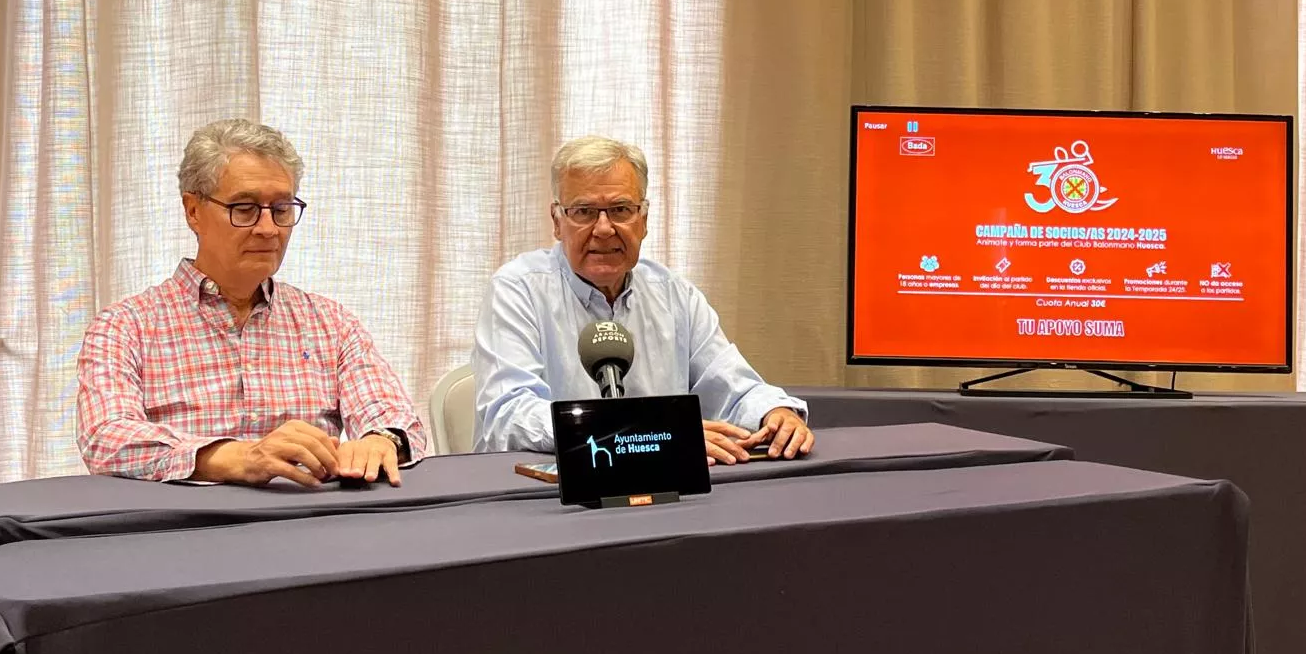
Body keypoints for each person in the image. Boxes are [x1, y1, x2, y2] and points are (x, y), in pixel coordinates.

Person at [76, 119, 427, 486]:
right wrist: (235, 458)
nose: (268, 229)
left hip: (310, 513)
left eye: (282, 209)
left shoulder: (331, 323)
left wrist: (380, 441)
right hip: (184, 517)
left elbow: (398, 419)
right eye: (244, 209)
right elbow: (105, 437)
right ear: (193, 211)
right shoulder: (124, 328)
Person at [473, 136, 813, 464]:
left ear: (643, 220)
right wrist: (648, 433)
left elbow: (734, 387)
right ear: (558, 222)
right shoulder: (518, 290)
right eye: (584, 211)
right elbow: (509, 415)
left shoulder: (675, 295)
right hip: (548, 491)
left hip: (664, 489)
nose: (604, 228)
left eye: (621, 210)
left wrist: (774, 412)